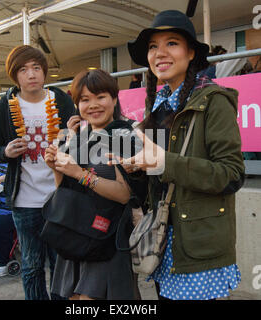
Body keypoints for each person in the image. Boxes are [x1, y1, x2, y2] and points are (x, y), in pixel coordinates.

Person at [110, 10, 245, 300]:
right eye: (152, 46)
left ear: (191, 53)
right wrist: (137, 168)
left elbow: (231, 175)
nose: (160, 53)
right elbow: (160, 173)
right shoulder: (159, 106)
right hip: (162, 242)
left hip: (197, 246)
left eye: (171, 43)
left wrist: (162, 162)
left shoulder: (214, 101)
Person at [44, 69, 146, 300]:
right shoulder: (77, 137)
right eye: (85, 99)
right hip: (75, 231)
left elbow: (124, 196)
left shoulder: (126, 135)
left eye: (100, 97)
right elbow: (64, 190)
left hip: (108, 238)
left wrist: (79, 173)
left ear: (113, 98)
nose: (93, 105)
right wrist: (55, 167)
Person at [0, 45, 75, 299]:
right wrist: (6, 151)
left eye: (36, 68)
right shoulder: (4, 107)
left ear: (44, 72)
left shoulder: (59, 99)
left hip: (59, 196)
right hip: (24, 200)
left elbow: (78, 139)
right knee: (32, 265)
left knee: (61, 263)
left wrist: (70, 140)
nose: (31, 74)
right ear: (15, 75)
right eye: (24, 69)